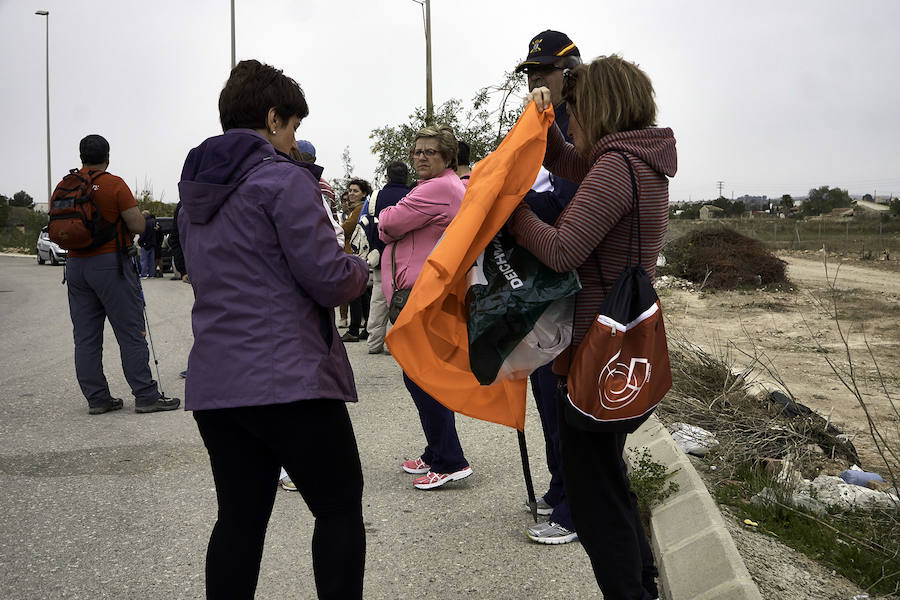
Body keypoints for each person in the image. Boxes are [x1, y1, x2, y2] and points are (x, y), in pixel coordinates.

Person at [178, 59, 369, 599]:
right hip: (291, 380)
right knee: (336, 508)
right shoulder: (283, 181)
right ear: (271, 118)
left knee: (239, 519)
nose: (292, 141)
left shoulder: (195, 196)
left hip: (218, 385)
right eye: (292, 128)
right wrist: (360, 269)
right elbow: (329, 279)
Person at [508, 55, 675, 600]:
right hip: (620, 343)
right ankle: (642, 585)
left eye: (575, 110)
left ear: (598, 106)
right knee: (608, 481)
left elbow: (561, 250)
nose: (571, 121)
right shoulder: (636, 160)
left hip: (592, 349)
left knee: (592, 496)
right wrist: (541, 120)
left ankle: (629, 593)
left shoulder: (614, 167)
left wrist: (506, 208)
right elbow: (564, 156)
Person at [514, 29, 582, 546]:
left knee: (566, 407)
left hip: (578, 299)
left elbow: (568, 216)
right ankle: (560, 486)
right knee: (545, 400)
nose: (537, 82)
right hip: (542, 301)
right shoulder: (539, 129)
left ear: (572, 73)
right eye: (531, 74)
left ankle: (575, 507)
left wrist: (514, 211)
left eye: (545, 73)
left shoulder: (586, 135)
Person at [379, 125, 472, 490]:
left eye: (429, 152)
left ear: (447, 157)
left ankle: (450, 459)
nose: (419, 156)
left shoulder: (438, 188)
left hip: (423, 296)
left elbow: (388, 222)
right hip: (421, 294)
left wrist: (389, 224)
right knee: (421, 374)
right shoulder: (436, 187)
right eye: (417, 150)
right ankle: (437, 451)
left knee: (422, 377)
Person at [62, 135, 181, 415]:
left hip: (76, 266)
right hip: (110, 264)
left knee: (86, 338)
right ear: (108, 157)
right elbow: (138, 225)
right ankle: (145, 395)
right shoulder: (114, 184)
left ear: (81, 156)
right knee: (130, 332)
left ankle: (98, 398)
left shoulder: (66, 185)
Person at [364, 161, 410, 355]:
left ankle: (374, 342)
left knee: (378, 299)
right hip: (407, 255)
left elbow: (367, 225)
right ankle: (397, 343)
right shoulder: (413, 194)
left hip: (382, 254)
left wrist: (374, 247)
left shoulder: (376, 196)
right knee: (404, 299)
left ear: (387, 177)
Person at [340, 178, 372, 343]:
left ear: (364, 193)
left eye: (355, 191)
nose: (351, 194)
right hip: (357, 255)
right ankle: (367, 327)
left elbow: (345, 229)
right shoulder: (357, 208)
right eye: (350, 191)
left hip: (353, 254)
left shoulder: (358, 209)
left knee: (355, 292)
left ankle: (353, 329)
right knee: (362, 292)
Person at [138, 210, 158, 278]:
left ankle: (143, 274)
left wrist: (140, 241)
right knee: (151, 261)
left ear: (144, 215)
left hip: (145, 243)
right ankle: (151, 274)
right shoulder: (153, 222)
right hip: (152, 244)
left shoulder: (145, 223)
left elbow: (143, 234)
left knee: (144, 260)